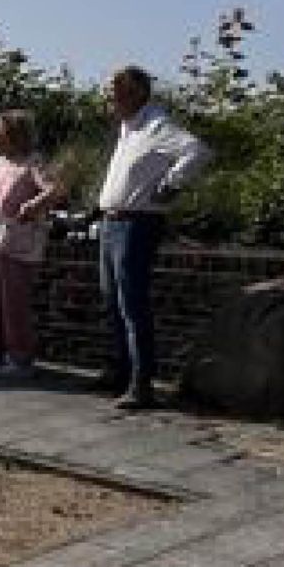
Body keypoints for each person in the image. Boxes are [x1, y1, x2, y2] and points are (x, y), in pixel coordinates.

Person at [96, 66, 211, 409]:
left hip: (136, 223)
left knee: (132, 305)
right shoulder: (129, 128)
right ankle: (121, 372)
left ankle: (140, 382)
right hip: (112, 222)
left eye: (115, 91)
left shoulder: (157, 125)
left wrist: (171, 184)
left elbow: (197, 151)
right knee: (113, 301)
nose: (109, 98)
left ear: (136, 93)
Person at [0, 109, 67, 379]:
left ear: (16, 135)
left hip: (18, 241)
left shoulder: (34, 162)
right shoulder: (1, 162)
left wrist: (34, 205)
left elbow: (56, 189)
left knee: (13, 301)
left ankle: (20, 358)